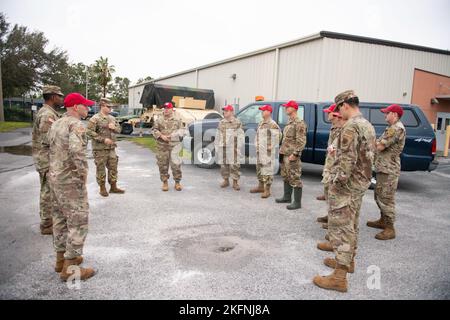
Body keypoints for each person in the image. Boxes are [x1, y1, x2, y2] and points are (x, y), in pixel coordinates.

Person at [313, 90, 376, 292]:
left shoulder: (351, 127)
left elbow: (347, 162)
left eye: (339, 108)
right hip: (360, 183)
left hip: (347, 186)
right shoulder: (367, 125)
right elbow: (368, 157)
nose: (339, 112)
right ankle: (348, 262)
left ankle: (339, 277)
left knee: (342, 229)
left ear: (345, 105)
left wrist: (335, 184)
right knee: (352, 225)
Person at [48, 93, 96, 281]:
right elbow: (77, 151)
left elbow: (49, 148)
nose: (87, 108)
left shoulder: (57, 123)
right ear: (76, 107)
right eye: (85, 105)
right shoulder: (76, 125)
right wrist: (83, 174)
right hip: (70, 181)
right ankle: (70, 268)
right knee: (78, 220)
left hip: (56, 178)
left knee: (59, 219)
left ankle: (61, 260)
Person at [368, 104, 406, 240]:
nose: (385, 115)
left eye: (387, 113)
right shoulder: (391, 128)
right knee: (378, 195)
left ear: (394, 114)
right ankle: (383, 220)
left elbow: (380, 146)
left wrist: (368, 142)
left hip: (389, 170)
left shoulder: (396, 129)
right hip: (383, 168)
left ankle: (390, 228)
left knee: (386, 198)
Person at [31, 85, 64, 235]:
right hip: (47, 159)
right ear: (52, 97)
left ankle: (50, 221)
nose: (61, 99)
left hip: (49, 159)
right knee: (47, 192)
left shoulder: (50, 113)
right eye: (59, 96)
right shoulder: (46, 115)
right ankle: (46, 225)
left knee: (50, 191)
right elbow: (47, 139)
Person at [87, 98, 125, 197]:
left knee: (113, 167)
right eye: (108, 107)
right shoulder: (95, 118)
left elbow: (119, 130)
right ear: (102, 106)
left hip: (111, 148)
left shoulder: (112, 118)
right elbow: (89, 132)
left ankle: (113, 186)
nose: (110, 109)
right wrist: (103, 139)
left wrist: (114, 128)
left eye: (111, 107)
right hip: (100, 148)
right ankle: (102, 188)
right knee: (101, 168)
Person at [316, 104, 345, 228]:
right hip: (330, 164)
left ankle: (334, 221)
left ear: (335, 115)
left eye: (329, 112)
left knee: (335, 196)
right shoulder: (334, 127)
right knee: (328, 193)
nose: (327, 114)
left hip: (336, 166)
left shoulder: (342, 129)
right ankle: (330, 216)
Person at [275, 100, 307, 210]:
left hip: (292, 155)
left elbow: (301, 140)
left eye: (287, 107)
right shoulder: (290, 122)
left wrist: (296, 154)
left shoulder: (299, 123)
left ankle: (297, 202)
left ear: (294, 108)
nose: (285, 109)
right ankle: (287, 197)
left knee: (295, 177)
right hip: (285, 153)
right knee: (286, 176)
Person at [152, 102, 187, 191]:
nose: (166, 110)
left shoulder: (177, 120)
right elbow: (154, 130)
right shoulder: (159, 120)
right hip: (162, 146)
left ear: (172, 109)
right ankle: (165, 182)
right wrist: (161, 136)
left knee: (176, 165)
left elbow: (182, 130)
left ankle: (177, 182)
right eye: (165, 108)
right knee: (163, 165)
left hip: (174, 146)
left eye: (168, 108)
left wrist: (173, 135)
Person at [250, 105, 281, 198]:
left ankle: (267, 190)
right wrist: (256, 144)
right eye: (261, 111)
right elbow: (258, 135)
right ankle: (260, 186)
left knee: (267, 170)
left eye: (263, 110)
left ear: (268, 112)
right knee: (259, 169)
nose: (262, 112)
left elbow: (278, 136)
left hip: (267, 152)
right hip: (260, 150)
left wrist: (271, 146)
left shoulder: (272, 124)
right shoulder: (261, 123)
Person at [215, 105, 244, 191]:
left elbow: (241, 135)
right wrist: (217, 146)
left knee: (234, 165)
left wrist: (238, 147)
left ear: (231, 112)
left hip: (233, 148)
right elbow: (218, 135)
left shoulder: (237, 122)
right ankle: (226, 180)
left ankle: (235, 182)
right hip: (223, 147)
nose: (224, 112)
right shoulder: (221, 122)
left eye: (226, 111)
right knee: (224, 165)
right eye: (224, 111)